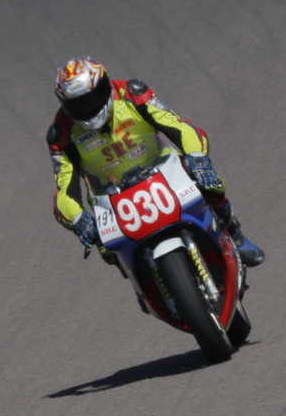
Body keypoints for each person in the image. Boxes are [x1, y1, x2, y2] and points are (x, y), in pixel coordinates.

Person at [47, 57, 264, 266]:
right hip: (109, 199)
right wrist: (78, 218)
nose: (88, 108)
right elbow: (64, 191)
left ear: (105, 86)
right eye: (78, 105)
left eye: (92, 99)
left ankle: (234, 233)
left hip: (163, 170)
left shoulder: (131, 93)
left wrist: (197, 157)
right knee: (108, 251)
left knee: (210, 182)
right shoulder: (61, 134)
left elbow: (179, 126)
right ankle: (143, 285)